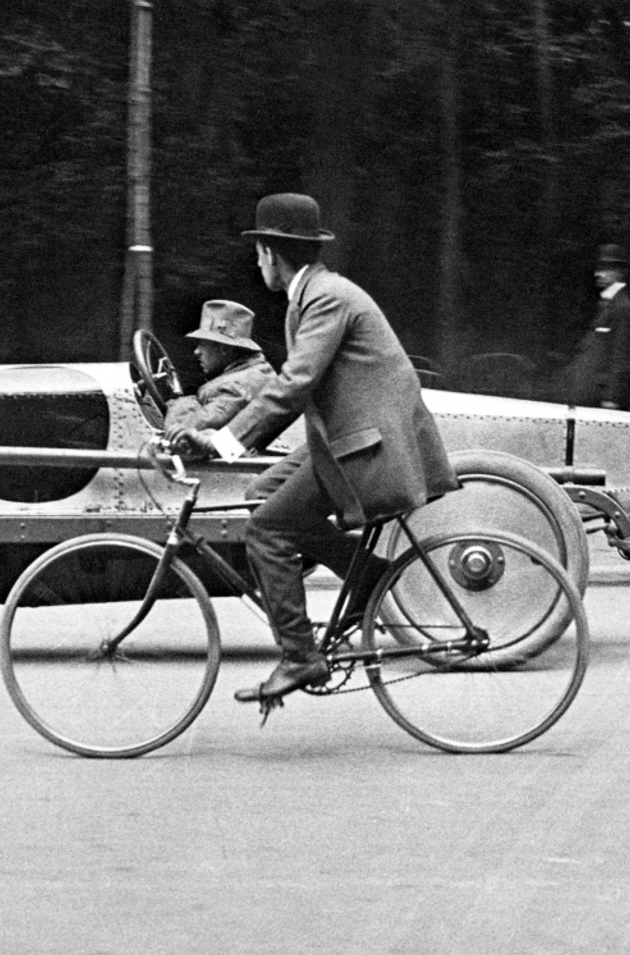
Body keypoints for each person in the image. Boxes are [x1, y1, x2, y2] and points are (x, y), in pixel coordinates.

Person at [173, 193, 459, 705]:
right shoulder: (312, 296)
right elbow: (290, 385)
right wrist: (226, 438)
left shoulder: (327, 298)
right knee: (261, 496)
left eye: (258, 251)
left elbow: (295, 383)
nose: (257, 261)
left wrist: (222, 441)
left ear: (270, 252)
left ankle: (301, 656)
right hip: (347, 438)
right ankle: (365, 574)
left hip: (367, 445)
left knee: (265, 532)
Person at [161, 300, 275, 440]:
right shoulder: (254, 372)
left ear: (224, 348)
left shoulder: (236, 386)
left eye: (203, 344)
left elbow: (182, 431)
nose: (197, 351)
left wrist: (179, 402)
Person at [560, 244, 630, 410]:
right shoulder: (608, 302)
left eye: (605, 269)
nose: (598, 274)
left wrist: (611, 397)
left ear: (618, 273)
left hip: (600, 396)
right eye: (599, 268)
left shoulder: (622, 306)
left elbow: (620, 354)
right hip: (588, 391)